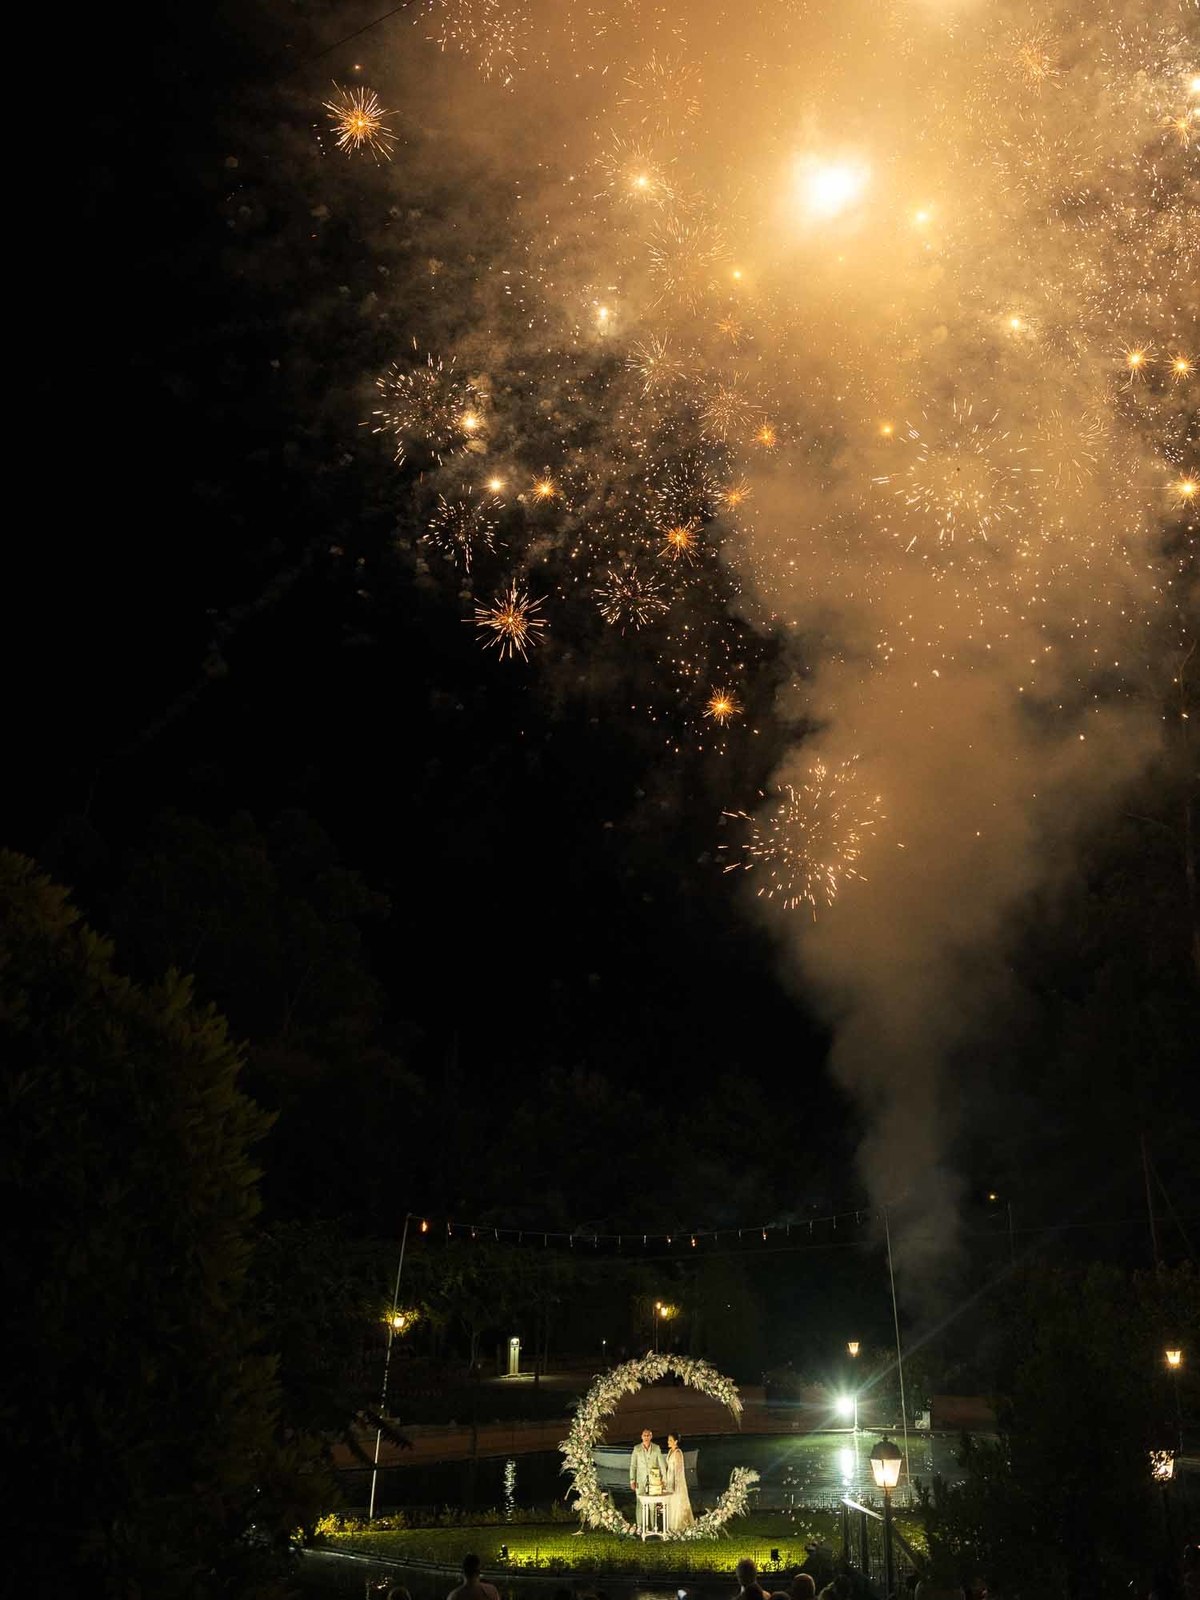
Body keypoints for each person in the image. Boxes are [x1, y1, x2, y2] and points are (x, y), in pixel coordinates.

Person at [664, 1431, 694, 1532]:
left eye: (670, 1440)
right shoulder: (670, 1452)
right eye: (668, 1440)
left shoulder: (678, 1453)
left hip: (676, 1481)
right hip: (669, 1479)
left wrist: (674, 1484)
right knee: (670, 1502)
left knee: (677, 1501)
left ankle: (679, 1526)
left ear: (676, 1441)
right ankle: (670, 1526)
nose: (668, 1442)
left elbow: (678, 1471)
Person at [629, 1428, 666, 1497]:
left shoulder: (656, 1448)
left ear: (651, 1437)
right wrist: (632, 1480)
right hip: (640, 1480)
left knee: (653, 1500)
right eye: (644, 1435)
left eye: (648, 1435)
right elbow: (633, 1465)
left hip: (654, 1480)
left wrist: (664, 1479)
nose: (646, 1437)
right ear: (641, 1437)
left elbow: (662, 1465)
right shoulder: (637, 1448)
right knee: (640, 1500)